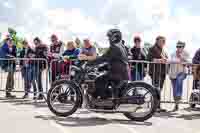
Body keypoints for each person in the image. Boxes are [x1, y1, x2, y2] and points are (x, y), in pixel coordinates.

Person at [82, 29, 129, 99]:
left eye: (109, 37)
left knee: (98, 80)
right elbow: (113, 60)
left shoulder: (114, 47)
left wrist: (89, 63)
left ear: (114, 37)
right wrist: (100, 67)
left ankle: (103, 100)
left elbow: (103, 58)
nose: (108, 39)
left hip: (116, 73)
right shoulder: (121, 46)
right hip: (121, 72)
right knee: (102, 78)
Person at [147, 36, 168, 112]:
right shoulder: (152, 48)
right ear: (157, 41)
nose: (163, 43)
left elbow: (166, 59)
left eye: (164, 41)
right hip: (155, 72)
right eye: (161, 41)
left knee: (159, 89)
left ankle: (158, 106)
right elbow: (149, 58)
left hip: (162, 72)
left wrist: (165, 60)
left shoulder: (163, 50)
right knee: (156, 89)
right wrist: (159, 60)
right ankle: (155, 106)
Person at [169, 41, 190, 111]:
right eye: (177, 46)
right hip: (173, 73)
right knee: (174, 90)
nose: (178, 48)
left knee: (179, 80)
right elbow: (171, 62)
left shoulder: (186, 53)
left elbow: (188, 63)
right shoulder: (173, 54)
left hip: (182, 72)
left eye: (180, 46)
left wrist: (181, 57)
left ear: (183, 47)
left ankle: (179, 95)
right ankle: (176, 104)